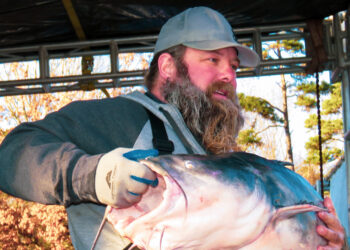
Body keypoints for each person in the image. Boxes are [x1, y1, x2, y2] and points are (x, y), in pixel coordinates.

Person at [0, 6, 345, 250]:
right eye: (213, 60)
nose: (229, 75)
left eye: (234, 66)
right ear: (168, 66)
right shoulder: (123, 118)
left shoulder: (214, 152)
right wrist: (94, 175)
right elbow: (12, 154)